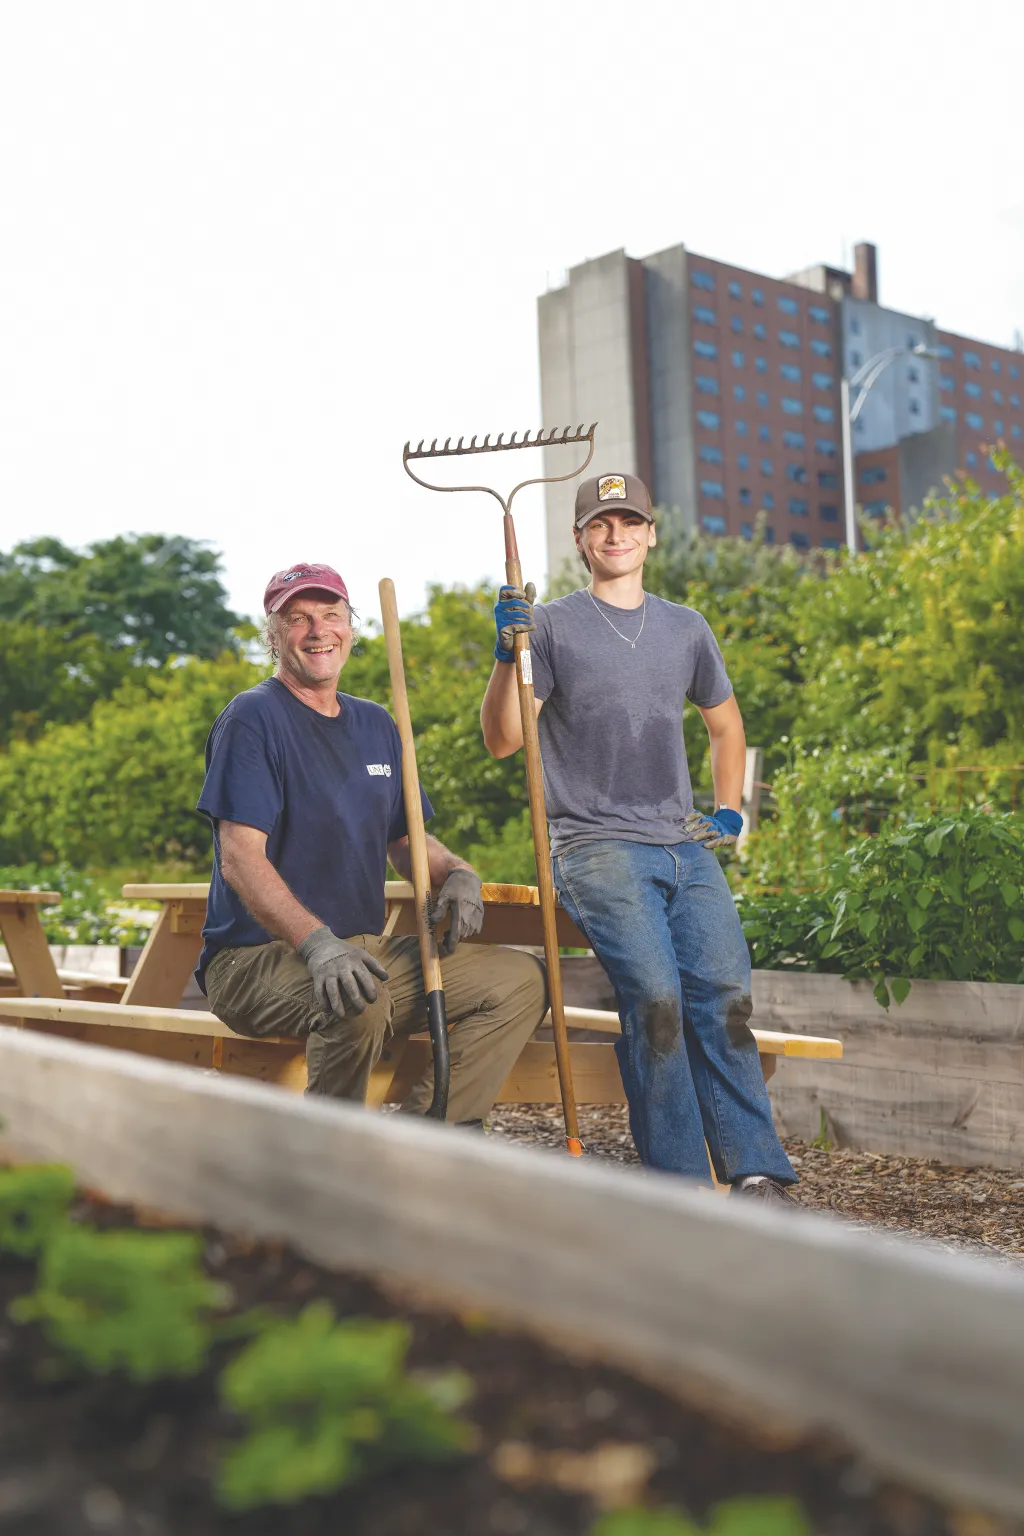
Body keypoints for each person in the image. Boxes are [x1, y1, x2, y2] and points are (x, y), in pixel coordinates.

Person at [480, 474, 798, 1202]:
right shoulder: (550, 626)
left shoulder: (686, 627)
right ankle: (679, 1190)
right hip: (594, 844)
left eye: (629, 521)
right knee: (655, 999)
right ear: (580, 540)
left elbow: (725, 723)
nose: (615, 534)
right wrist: (507, 654)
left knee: (723, 998)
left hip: (683, 843)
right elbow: (503, 740)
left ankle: (755, 1171)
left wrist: (728, 812)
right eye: (601, 523)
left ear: (651, 533)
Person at [196, 561, 546, 1122]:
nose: (318, 630)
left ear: (350, 628)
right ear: (273, 634)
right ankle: (332, 1161)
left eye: (331, 615)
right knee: (355, 998)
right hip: (256, 959)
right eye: (299, 618)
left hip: (363, 948)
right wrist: (318, 945)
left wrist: (458, 872)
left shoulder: (376, 724)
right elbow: (240, 860)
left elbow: (405, 841)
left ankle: (435, 1130)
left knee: (521, 980)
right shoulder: (253, 718)